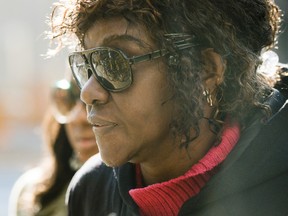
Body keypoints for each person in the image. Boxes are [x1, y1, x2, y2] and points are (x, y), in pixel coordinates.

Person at [48, 0, 288, 215]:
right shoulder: (91, 190)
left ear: (206, 69)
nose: (88, 92)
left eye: (114, 63)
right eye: (87, 64)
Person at [9, 79, 98, 216]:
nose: (78, 117)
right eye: (71, 98)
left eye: (95, 101)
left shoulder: (139, 195)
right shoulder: (31, 193)